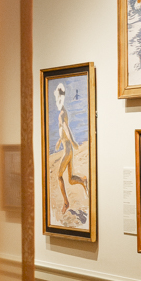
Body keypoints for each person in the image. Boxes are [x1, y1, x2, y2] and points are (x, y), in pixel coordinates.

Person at [51, 82, 89, 220]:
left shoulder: (61, 114)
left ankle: (66, 202)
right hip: (68, 149)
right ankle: (83, 180)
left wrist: (72, 141)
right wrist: (59, 141)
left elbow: (66, 128)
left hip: (67, 150)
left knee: (58, 176)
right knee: (71, 179)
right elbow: (63, 131)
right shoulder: (64, 112)